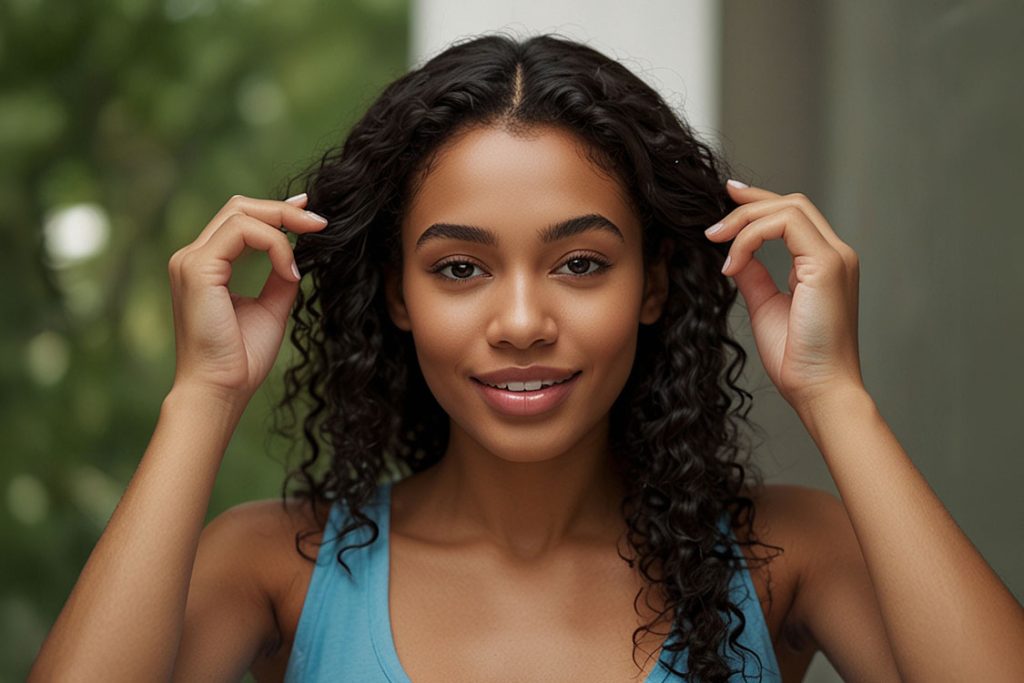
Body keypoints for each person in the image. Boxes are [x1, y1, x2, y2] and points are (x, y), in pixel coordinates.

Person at [30, 33, 1023, 683]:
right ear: (396, 294)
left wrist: (835, 395)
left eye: (580, 262)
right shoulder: (275, 565)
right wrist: (202, 398)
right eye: (459, 266)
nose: (519, 319)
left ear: (656, 284)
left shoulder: (785, 556)